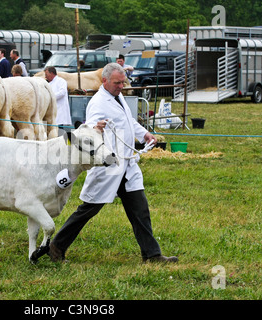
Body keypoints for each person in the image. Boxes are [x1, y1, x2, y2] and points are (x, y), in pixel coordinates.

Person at [48, 63, 178, 264]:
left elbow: (128, 121)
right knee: (87, 210)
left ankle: (152, 255)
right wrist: (95, 127)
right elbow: (88, 129)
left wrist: (143, 134)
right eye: (117, 83)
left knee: (140, 210)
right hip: (108, 166)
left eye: (122, 82)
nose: (121, 86)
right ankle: (56, 247)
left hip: (127, 166)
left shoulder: (118, 97)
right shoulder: (98, 103)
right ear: (105, 81)